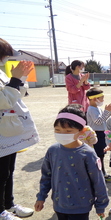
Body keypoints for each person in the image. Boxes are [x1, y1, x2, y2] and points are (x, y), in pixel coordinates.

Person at [34, 104, 109, 220]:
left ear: (81, 131)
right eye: (57, 130)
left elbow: (98, 181)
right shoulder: (52, 150)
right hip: (59, 205)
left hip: (81, 206)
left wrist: (101, 205)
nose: (62, 134)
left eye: (68, 131)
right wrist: (41, 197)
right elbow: (46, 176)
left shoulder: (88, 154)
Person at [0, 38, 39, 220]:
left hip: (8, 130)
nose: (6, 59)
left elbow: (17, 95)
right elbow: (5, 101)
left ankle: (9, 204)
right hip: (2, 130)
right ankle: (1, 211)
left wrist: (21, 78)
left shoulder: (1, 73)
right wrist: (15, 79)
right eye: (4, 55)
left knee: (9, 170)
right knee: (1, 172)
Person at [86, 87, 111, 182]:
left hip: (102, 133)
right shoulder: (91, 109)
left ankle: (102, 173)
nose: (103, 99)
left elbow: (103, 120)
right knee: (99, 154)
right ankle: (101, 174)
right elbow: (98, 121)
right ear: (95, 99)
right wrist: (107, 111)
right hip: (96, 134)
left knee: (101, 154)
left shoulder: (97, 108)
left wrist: (109, 112)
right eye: (101, 97)